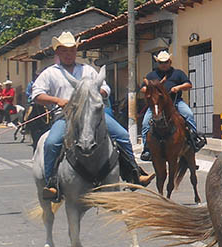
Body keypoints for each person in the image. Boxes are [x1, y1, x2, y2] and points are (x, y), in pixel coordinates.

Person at [32, 31, 153, 201]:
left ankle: (134, 173)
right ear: (57, 52)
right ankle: (51, 183)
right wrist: (58, 100)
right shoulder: (50, 73)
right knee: (52, 142)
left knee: (123, 135)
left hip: (94, 114)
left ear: (76, 51)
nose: (68, 54)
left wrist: (100, 92)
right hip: (66, 116)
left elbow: (105, 88)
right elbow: (37, 95)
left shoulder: (87, 70)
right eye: (64, 51)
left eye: (72, 50)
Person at [139, 50, 206, 160]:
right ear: (158, 63)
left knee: (188, 114)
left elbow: (188, 84)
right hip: (157, 104)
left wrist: (178, 87)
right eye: (161, 62)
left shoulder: (178, 73)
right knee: (146, 123)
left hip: (176, 101)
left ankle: (194, 140)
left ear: (170, 62)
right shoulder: (151, 75)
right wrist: (151, 90)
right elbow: (142, 88)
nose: (164, 64)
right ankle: (147, 149)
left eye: (166, 62)